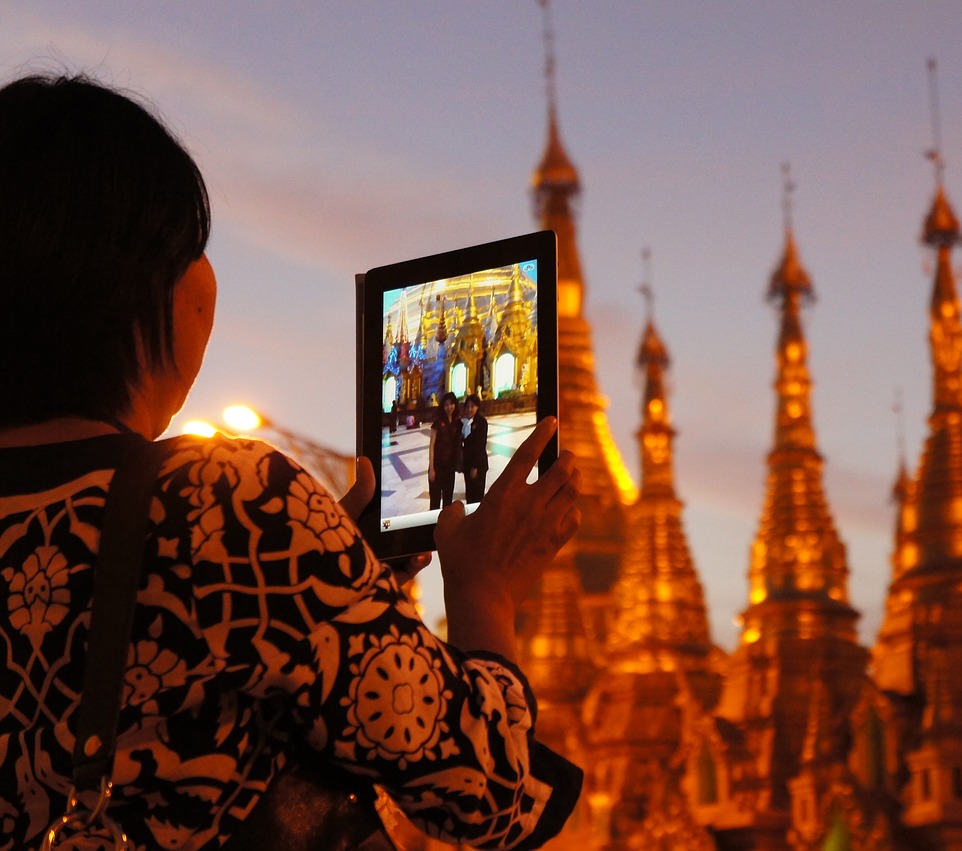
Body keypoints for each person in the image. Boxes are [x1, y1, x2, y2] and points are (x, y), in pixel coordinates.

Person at [0, 73, 582, 849]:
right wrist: (484, 587)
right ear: (189, 297)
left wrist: (333, 577)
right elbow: (490, 793)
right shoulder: (230, 504)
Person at [428, 392, 463, 509]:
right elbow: (432, 445)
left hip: (449, 468)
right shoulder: (437, 423)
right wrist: (431, 468)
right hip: (437, 467)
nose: (449, 407)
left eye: (451, 404)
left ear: (455, 405)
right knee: (435, 500)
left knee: (448, 500)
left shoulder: (458, 423)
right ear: (443, 407)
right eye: (446, 405)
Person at [461, 394, 490, 504]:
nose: (469, 409)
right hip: (467, 464)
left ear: (477, 407)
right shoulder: (464, 423)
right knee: (469, 494)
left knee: (477, 495)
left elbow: (480, 445)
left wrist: (475, 467)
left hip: (478, 465)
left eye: (472, 406)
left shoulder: (481, 422)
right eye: (467, 406)